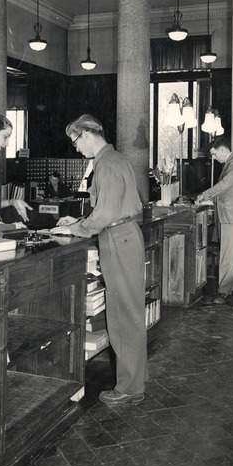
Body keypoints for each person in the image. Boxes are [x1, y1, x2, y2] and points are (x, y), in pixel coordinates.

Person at [51, 114, 147, 406]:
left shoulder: (105, 163)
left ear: (88, 134)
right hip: (125, 235)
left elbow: (105, 215)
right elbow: (112, 208)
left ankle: (130, 389)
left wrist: (72, 229)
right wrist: (80, 220)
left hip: (118, 239)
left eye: (76, 141)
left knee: (122, 317)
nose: (76, 148)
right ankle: (134, 380)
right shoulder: (115, 159)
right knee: (128, 313)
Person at [196, 136, 233, 305]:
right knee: (232, 254)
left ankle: (224, 291)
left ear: (222, 149)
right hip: (231, 215)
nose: (214, 158)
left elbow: (225, 184)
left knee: (227, 254)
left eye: (214, 154)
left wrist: (205, 194)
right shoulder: (232, 163)